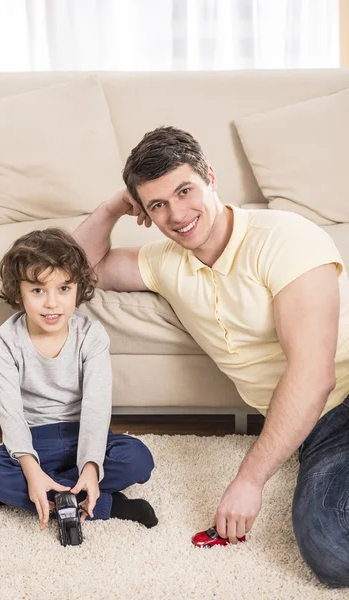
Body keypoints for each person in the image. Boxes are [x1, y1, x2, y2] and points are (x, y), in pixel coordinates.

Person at [72, 126, 349, 587]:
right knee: (330, 546)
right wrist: (112, 207)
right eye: (157, 204)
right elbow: (76, 270)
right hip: (317, 428)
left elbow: (314, 374)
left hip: (341, 394)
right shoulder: (164, 262)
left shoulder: (285, 239)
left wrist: (249, 480)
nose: (177, 214)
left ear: (210, 178)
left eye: (185, 191)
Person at [0, 228, 158, 531]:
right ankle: (108, 504)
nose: (51, 303)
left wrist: (90, 466)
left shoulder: (92, 335)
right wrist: (30, 470)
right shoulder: (4, 341)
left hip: (81, 433)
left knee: (138, 459)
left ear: (77, 289)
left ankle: (24, 495)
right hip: (34, 439)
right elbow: (11, 415)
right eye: (37, 290)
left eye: (63, 289)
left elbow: (97, 408)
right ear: (18, 292)